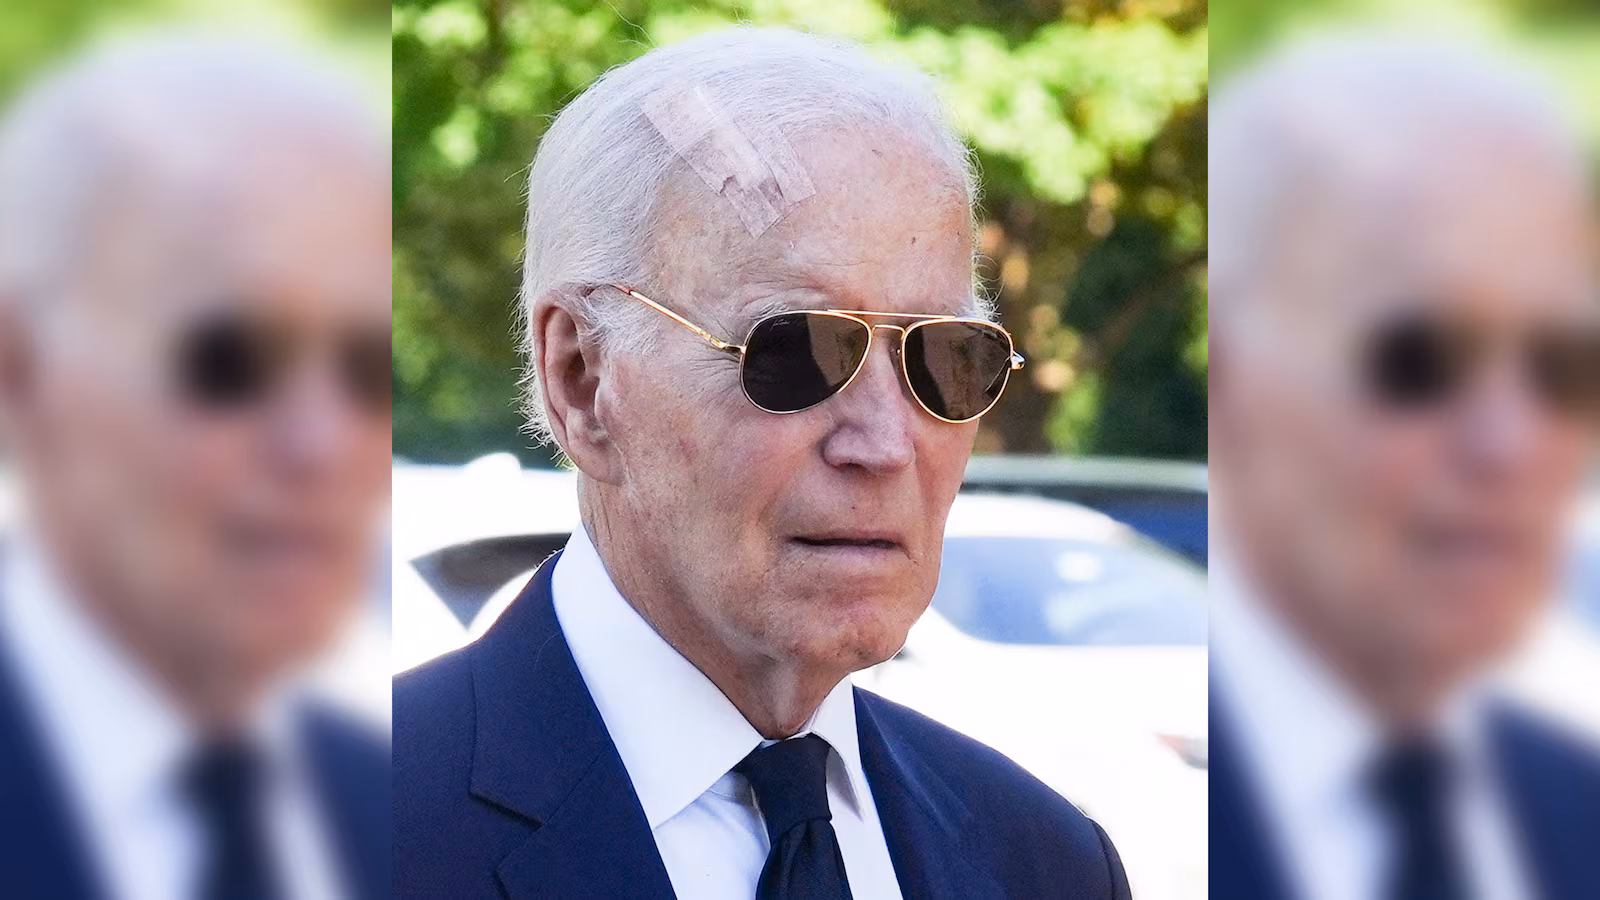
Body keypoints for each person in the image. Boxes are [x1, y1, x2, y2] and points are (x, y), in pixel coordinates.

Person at [394, 27, 1130, 900]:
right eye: (798, 351)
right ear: (582, 379)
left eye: (944, 356)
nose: (885, 444)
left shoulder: (1045, 859)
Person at [0, 36, 392, 900]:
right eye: (230, 359)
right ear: (22, 368)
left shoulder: (393, 804)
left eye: (369, 369)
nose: (322, 444)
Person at [1209, 37, 1600, 900]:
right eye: (1417, 358)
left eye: (1567, 367)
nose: (1511, 444)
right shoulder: (1110, 832)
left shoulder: (1578, 808)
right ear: (1229, 380)